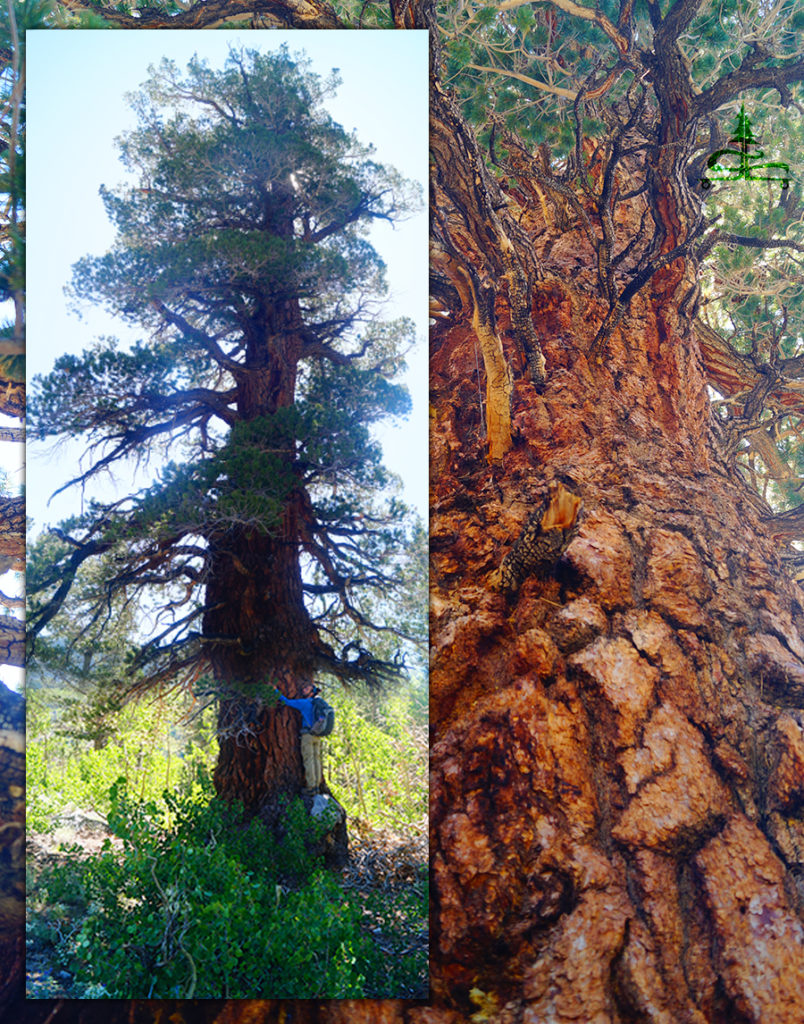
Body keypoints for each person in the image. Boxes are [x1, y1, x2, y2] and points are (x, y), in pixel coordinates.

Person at [274, 682, 324, 794]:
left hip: (307, 735)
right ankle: (317, 785)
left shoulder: (304, 703)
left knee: (309, 760)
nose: (303, 689)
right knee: (316, 760)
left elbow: (286, 701)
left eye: (306, 688)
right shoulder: (317, 704)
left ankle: (311, 787)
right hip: (317, 735)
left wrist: (275, 691)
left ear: (311, 692)